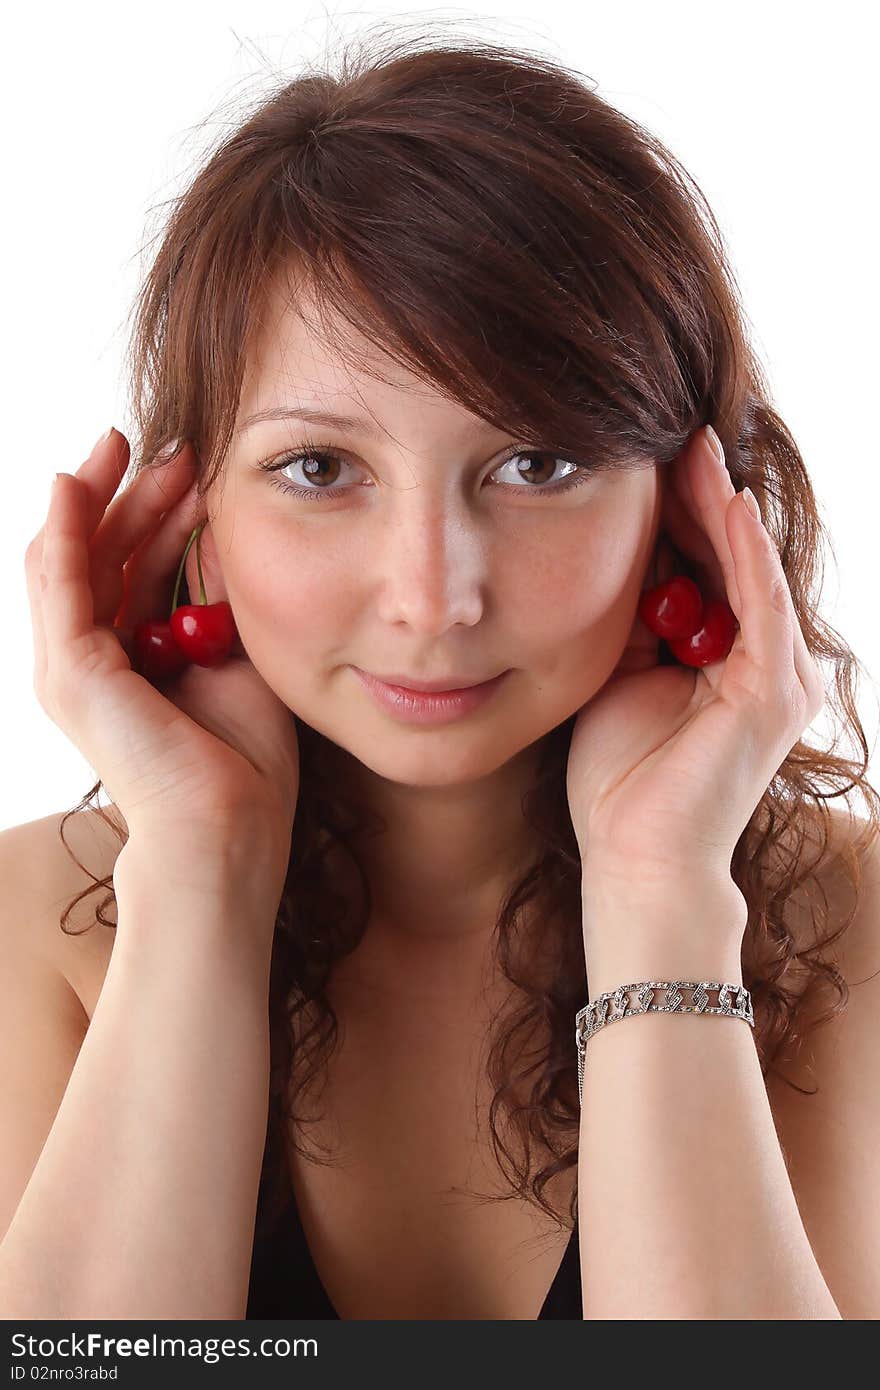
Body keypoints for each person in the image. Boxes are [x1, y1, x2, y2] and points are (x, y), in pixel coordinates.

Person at [2, 28, 878, 1321]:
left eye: (534, 465)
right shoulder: (35, 922)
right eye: (319, 469)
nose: (431, 596)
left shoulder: (850, 921)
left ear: (690, 499)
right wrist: (199, 869)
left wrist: (661, 885)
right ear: (193, 515)